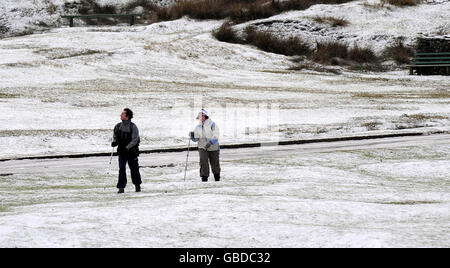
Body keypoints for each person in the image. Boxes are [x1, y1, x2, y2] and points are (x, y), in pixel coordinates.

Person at [111, 108, 142, 193]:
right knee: (121, 169)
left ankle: (137, 185)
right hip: (121, 151)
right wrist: (114, 142)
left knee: (134, 169)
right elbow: (115, 135)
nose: (121, 115)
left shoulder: (133, 126)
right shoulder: (117, 126)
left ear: (127, 116)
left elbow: (135, 139)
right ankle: (121, 187)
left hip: (132, 152)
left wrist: (127, 147)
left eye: (123, 114)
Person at [189, 109, 221, 182]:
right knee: (203, 162)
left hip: (213, 147)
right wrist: (192, 136)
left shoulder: (213, 124)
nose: (201, 117)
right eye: (200, 116)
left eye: (202, 115)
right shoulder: (198, 127)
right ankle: (204, 178)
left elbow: (216, 135)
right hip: (202, 147)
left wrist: (211, 142)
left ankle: (217, 177)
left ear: (205, 116)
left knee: (214, 163)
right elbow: (196, 139)